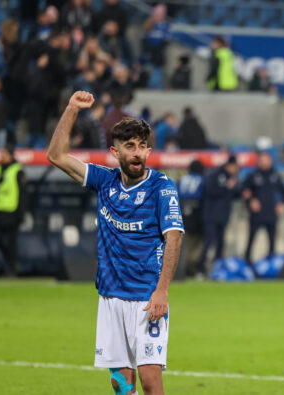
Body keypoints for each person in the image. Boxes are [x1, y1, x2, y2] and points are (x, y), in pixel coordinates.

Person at [47, 91, 184, 395]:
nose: (137, 153)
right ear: (115, 151)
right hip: (110, 296)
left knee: (150, 380)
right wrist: (71, 109)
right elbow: (56, 156)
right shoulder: (104, 180)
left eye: (142, 147)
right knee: (121, 384)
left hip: (147, 297)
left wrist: (162, 290)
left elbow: (173, 237)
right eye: (130, 146)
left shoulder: (162, 187)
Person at [242, 151, 284, 266]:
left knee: (272, 241)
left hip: (271, 213)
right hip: (257, 214)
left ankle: (271, 263)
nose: (265, 162)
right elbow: (244, 191)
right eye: (262, 160)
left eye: (267, 160)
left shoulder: (275, 175)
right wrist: (250, 201)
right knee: (251, 239)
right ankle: (247, 262)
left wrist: (282, 204)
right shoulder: (253, 176)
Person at [200, 155, 241, 275]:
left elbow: (233, 195)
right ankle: (201, 268)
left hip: (223, 216)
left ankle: (217, 269)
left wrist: (239, 191)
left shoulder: (233, 178)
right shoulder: (215, 175)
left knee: (221, 243)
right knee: (209, 242)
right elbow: (210, 190)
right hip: (211, 215)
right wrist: (227, 188)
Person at [0, 143, 26, 276]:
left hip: (13, 211)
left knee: (12, 242)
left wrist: (21, 213)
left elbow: (23, 193)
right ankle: (9, 262)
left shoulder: (17, 170)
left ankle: (12, 268)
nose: (1, 157)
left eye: (4, 154)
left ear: (10, 156)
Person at [178, 160, 205, 278]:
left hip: (183, 213)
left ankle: (182, 269)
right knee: (199, 242)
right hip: (198, 213)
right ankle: (192, 267)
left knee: (185, 243)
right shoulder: (203, 180)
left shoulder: (182, 180)